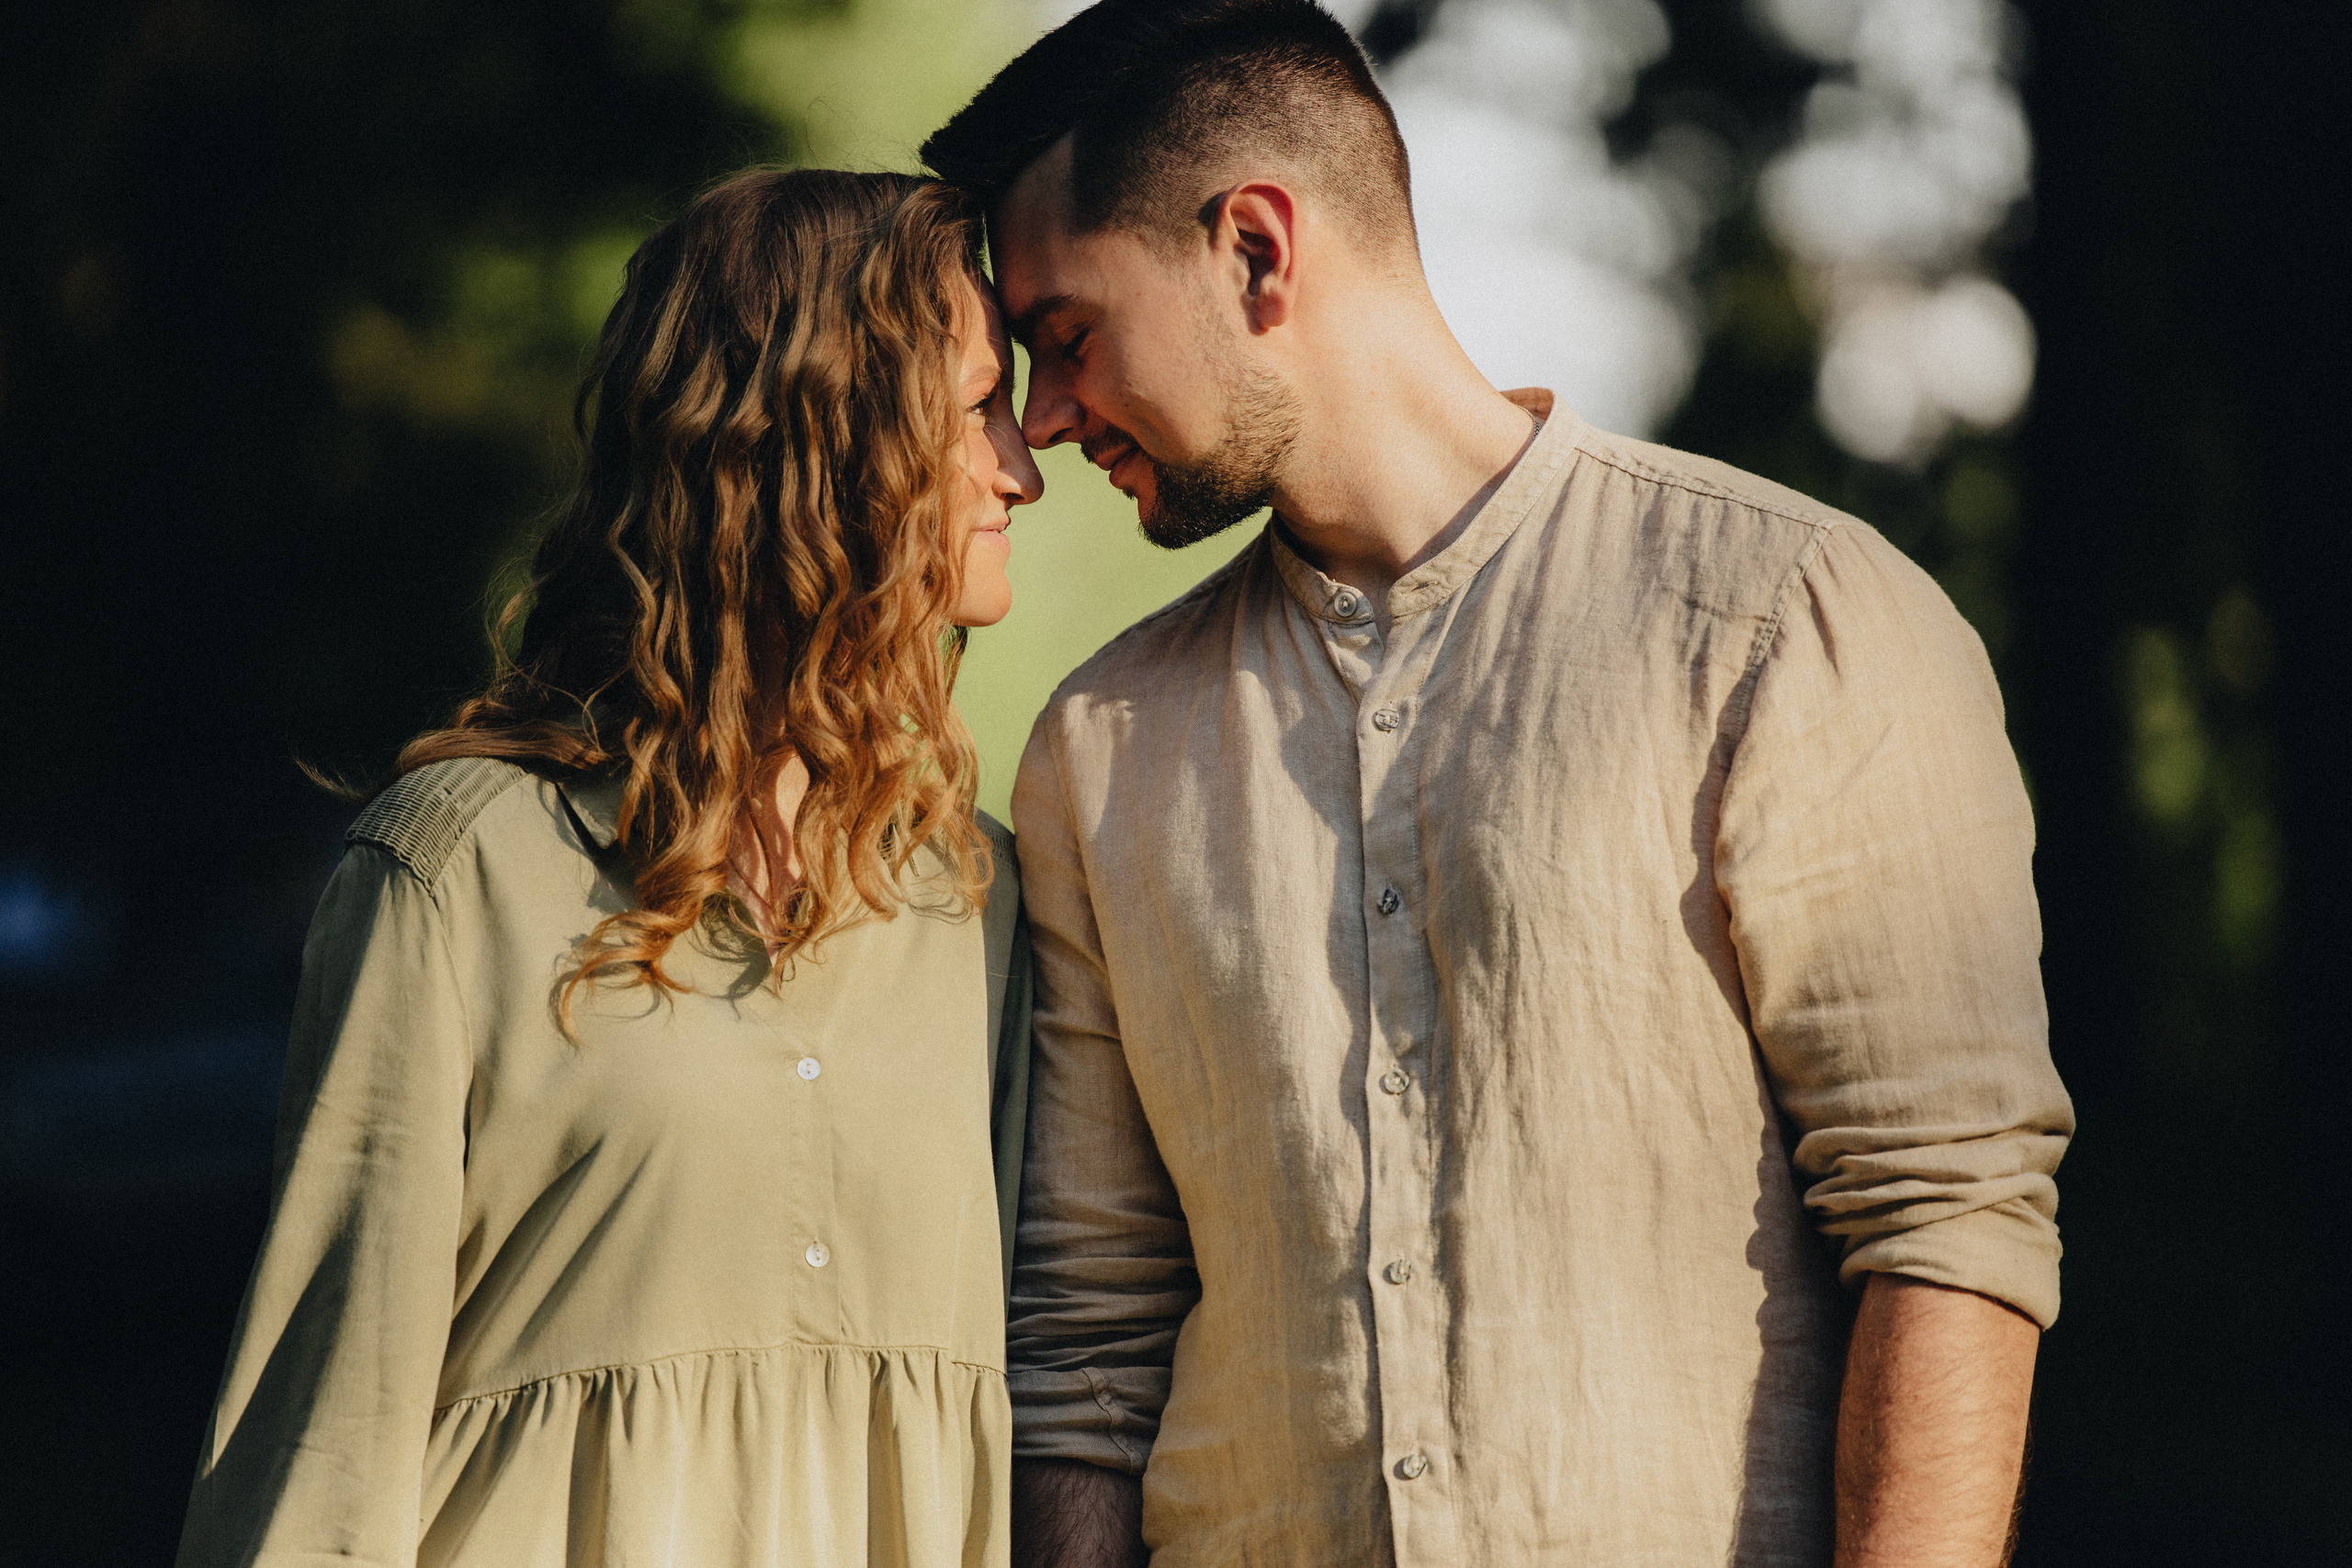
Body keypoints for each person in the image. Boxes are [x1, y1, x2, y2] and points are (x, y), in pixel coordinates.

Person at [921, 3, 2074, 1564]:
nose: (1043, 423)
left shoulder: (1784, 621)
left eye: (1067, 339)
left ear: (1256, 251)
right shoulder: (1099, 749)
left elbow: (1943, 1221)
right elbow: (1087, 1350)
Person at [176, 168, 1043, 1568]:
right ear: (820, 439)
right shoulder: (455, 870)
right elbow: (324, 1445)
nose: (1024, 463)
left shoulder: (979, 902)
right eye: (975, 407)